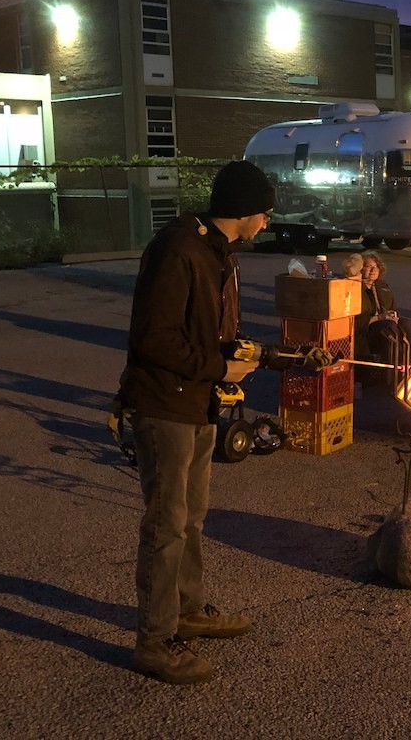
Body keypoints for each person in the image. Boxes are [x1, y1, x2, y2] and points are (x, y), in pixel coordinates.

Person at [118, 159, 273, 685]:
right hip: (166, 407)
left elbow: (200, 327)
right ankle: (155, 644)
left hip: (198, 403)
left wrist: (235, 353)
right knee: (166, 525)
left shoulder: (216, 252)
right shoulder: (179, 250)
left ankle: (187, 610)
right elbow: (153, 339)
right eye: (265, 213)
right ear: (244, 211)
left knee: (191, 518)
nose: (267, 223)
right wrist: (219, 366)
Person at [355, 250, 401, 367]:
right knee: (388, 329)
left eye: (375, 267)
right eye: (368, 266)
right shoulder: (355, 288)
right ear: (360, 269)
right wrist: (379, 318)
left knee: (406, 325)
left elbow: (393, 308)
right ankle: (393, 366)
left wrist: (393, 316)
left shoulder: (381, 286)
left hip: (385, 324)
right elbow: (357, 322)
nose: (373, 270)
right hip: (366, 329)